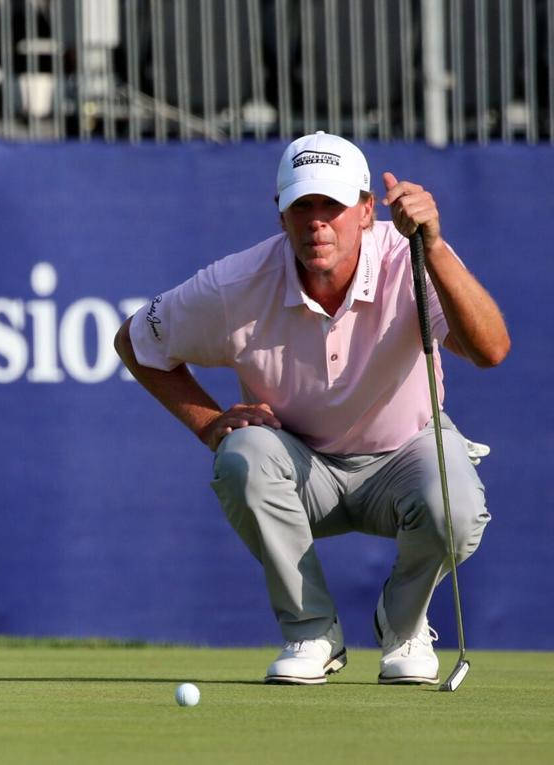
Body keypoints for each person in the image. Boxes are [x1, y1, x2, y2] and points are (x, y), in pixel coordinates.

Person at [114, 131, 510, 685]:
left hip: (406, 456)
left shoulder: (412, 257)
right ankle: (311, 633)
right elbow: (136, 342)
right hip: (300, 467)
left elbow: (490, 349)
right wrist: (208, 424)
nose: (317, 221)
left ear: (367, 211)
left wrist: (437, 247)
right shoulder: (237, 283)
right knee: (240, 456)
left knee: (459, 506)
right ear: (281, 214)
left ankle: (405, 625)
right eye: (303, 206)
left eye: (334, 206)